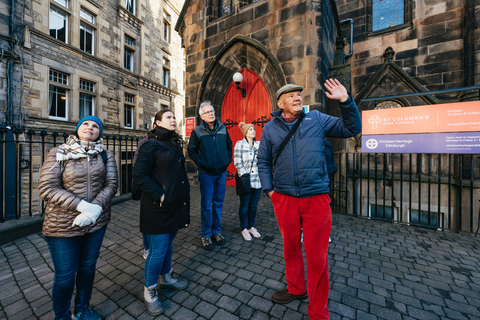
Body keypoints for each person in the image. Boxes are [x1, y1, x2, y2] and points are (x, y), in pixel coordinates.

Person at [257, 79, 362, 320]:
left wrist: (346, 101)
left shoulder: (317, 119)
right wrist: (270, 191)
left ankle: (317, 312)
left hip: (316, 199)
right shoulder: (270, 128)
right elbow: (263, 161)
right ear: (280, 103)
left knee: (317, 258)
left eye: (298, 95)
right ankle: (296, 288)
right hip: (284, 199)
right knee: (290, 248)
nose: (297, 98)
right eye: (291, 95)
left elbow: (351, 128)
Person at [38, 116, 118, 320]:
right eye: (85, 124)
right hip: (62, 225)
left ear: (99, 132)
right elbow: (47, 188)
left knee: (87, 269)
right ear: (77, 129)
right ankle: (62, 316)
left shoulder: (106, 155)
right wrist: (82, 207)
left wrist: (95, 210)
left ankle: (82, 309)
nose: (90, 128)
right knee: (65, 276)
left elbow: (111, 185)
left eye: (95, 126)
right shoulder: (59, 152)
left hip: (96, 224)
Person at [132, 110, 190, 315]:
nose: (173, 119)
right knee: (158, 249)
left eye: (174, 117)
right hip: (157, 207)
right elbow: (139, 174)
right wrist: (160, 194)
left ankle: (166, 277)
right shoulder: (150, 145)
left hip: (175, 204)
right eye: (168, 117)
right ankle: (150, 291)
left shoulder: (175, 144)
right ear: (157, 123)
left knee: (168, 244)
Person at [187, 101, 232, 250]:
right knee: (206, 206)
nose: (211, 113)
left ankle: (216, 232)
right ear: (202, 116)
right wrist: (203, 163)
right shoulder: (197, 132)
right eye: (207, 112)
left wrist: (227, 161)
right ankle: (205, 234)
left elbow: (229, 146)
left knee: (218, 203)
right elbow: (191, 151)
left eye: (212, 111)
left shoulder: (223, 128)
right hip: (206, 174)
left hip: (221, 173)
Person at [132, 120, 157, 260]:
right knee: (147, 219)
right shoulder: (144, 142)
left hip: (161, 185)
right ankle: (147, 247)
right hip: (148, 185)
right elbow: (136, 162)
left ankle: (156, 245)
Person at [233, 122, 262, 241]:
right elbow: (237, 162)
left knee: (253, 205)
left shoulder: (259, 144)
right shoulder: (239, 144)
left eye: (254, 129)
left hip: (258, 180)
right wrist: (244, 175)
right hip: (246, 180)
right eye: (250, 129)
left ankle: (251, 226)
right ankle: (244, 228)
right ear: (245, 132)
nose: (253, 131)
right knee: (244, 205)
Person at [324, 139, 337, 243]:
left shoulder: (319, 146)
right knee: (325, 207)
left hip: (319, 180)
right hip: (326, 179)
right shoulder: (329, 145)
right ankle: (325, 234)